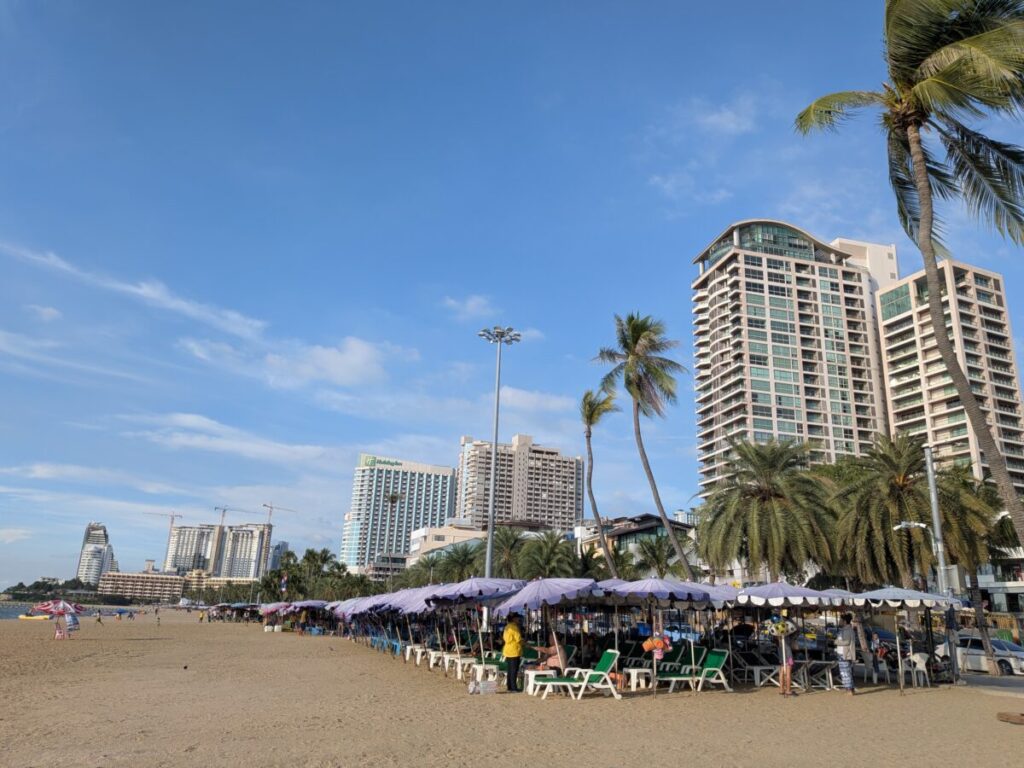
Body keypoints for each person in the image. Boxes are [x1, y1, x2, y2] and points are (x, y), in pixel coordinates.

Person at [836, 614, 857, 695]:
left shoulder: (847, 630)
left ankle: (849, 689)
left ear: (844, 621)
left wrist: (837, 642)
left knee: (845, 672)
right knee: (847, 671)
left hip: (844, 654)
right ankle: (850, 688)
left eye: (840, 620)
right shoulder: (845, 629)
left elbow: (847, 642)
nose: (839, 622)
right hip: (843, 653)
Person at [502, 614, 524, 693]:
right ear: (514, 619)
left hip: (508, 650)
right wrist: (526, 643)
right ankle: (514, 688)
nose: (519, 619)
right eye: (517, 618)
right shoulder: (514, 627)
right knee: (514, 670)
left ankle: (510, 686)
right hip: (514, 650)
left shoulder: (507, 627)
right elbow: (518, 639)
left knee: (510, 670)